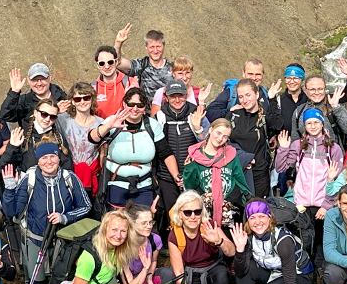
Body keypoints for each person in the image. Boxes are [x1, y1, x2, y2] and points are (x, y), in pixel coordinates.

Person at [1, 143, 92, 284]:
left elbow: (85, 206)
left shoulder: (69, 178)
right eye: (44, 158)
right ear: (38, 160)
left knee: (63, 275)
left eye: (52, 157)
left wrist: (65, 217)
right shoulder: (30, 179)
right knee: (37, 280)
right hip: (35, 238)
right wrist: (10, 189)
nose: (49, 161)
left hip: (63, 239)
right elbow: (11, 211)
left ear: (59, 158)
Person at [166, 190, 236, 284]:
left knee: (223, 275)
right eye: (187, 212)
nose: (193, 216)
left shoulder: (208, 226)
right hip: (192, 273)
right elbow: (179, 272)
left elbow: (231, 251)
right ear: (180, 214)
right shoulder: (174, 236)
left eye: (197, 212)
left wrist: (219, 241)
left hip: (213, 269)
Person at [273, 109, 344, 244]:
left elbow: (338, 180)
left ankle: (321, 265)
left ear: (322, 123)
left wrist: (327, 205)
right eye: (309, 123)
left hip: (323, 205)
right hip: (301, 204)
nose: (313, 126)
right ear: (304, 126)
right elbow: (280, 167)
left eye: (316, 122)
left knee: (322, 242)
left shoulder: (333, 148)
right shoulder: (298, 145)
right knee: (304, 241)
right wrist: (283, 149)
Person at [102, 88, 178, 209]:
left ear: (145, 108)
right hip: (115, 183)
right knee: (117, 224)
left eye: (140, 105)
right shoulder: (112, 122)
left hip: (144, 185)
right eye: (131, 104)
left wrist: (176, 176)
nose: (135, 109)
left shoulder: (151, 125)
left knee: (142, 221)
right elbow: (93, 138)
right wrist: (107, 126)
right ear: (124, 104)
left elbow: (165, 153)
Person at [217, 78, 283, 197]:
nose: (244, 100)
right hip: (236, 172)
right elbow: (222, 140)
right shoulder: (233, 115)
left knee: (257, 210)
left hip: (258, 174)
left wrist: (272, 98)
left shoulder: (264, 117)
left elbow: (278, 124)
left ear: (257, 94)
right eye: (241, 97)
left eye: (248, 95)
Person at [181, 116, 249, 231]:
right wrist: (189, 168)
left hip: (229, 209)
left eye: (225, 137)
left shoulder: (231, 154)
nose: (220, 138)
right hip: (205, 211)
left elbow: (239, 179)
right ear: (211, 129)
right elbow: (190, 186)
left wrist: (248, 200)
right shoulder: (196, 156)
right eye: (218, 133)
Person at [155, 80, 208, 217]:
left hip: (194, 176)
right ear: (166, 98)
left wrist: (198, 129)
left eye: (181, 96)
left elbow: (207, 143)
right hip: (167, 177)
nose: (177, 100)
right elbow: (156, 147)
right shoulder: (160, 116)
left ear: (186, 95)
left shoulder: (196, 113)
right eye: (173, 96)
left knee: (194, 214)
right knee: (172, 215)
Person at [122, 202, 173, 284]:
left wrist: (149, 276)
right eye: (144, 223)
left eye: (151, 222)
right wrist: (145, 270)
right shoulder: (123, 245)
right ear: (132, 223)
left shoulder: (153, 239)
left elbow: (154, 260)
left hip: (145, 278)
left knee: (167, 274)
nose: (149, 226)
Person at [56, 81, 105, 200]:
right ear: (72, 101)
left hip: (92, 177)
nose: (82, 102)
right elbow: (41, 123)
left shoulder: (101, 122)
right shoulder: (62, 119)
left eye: (86, 98)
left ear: (92, 99)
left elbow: (103, 152)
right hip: (68, 174)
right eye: (78, 99)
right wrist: (55, 110)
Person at [1, 99, 74, 172]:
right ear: (35, 113)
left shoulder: (58, 138)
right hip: (28, 181)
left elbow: (67, 168)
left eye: (52, 117)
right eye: (44, 114)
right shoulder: (22, 136)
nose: (47, 119)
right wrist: (12, 147)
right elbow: (2, 169)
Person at [202, 58, 280, 123]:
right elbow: (209, 114)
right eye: (250, 74)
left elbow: (274, 120)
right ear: (243, 74)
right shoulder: (231, 93)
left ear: (263, 75)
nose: (254, 77)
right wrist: (229, 111)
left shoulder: (266, 94)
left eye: (258, 74)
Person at [115, 24, 174, 98]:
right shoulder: (141, 65)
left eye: (158, 46)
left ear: (164, 45)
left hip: (167, 109)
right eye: (152, 47)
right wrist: (118, 43)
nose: (155, 51)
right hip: (145, 109)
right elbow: (118, 63)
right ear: (146, 47)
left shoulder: (173, 67)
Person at [0, 63, 68, 126]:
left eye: (43, 79)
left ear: (49, 78)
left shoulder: (61, 96)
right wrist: (14, 92)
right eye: (35, 80)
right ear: (29, 81)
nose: (39, 83)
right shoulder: (24, 101)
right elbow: (5, 116)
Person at [92, 43, 137, 117]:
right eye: (102, 63)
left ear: (116, 62)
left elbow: (138, 111)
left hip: (125, 127)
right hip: (103, 128)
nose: (106, 67)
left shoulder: (130, 83)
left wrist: (129, 98)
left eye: (110, 62)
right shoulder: (92, 88)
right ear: (97, 65)